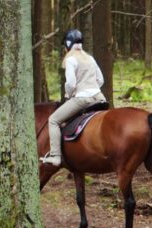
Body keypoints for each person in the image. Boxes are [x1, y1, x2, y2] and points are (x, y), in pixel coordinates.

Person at [40, 29, 107, 168]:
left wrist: (69, 95)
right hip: (99, 98)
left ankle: (55, 156)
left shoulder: (71, 59)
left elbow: (70, 83)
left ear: (68, 44)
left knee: (53, 120)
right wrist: (92, 87)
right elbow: (100, 80)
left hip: (83, 99)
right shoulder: (90, 58)